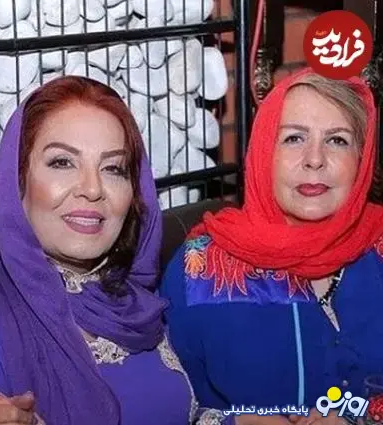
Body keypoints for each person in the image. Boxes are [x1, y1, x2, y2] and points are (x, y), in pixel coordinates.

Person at [0, 76, 234, 425]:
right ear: (17, 179)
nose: (92, 189)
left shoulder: (132, 299)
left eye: (113, 168)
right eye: (62, 162)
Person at [160, 68, 383, 425]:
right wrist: (237, 422)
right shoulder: (199, 269)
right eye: (294, 138)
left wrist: (365, 418)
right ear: (265, 151)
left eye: (338, 140)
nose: (315, 159)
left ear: (362, 158)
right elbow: (164, 406)